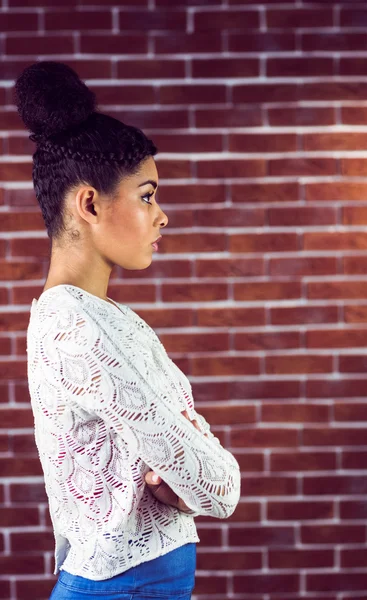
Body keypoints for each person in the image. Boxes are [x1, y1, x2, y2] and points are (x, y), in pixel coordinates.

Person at [17, 61, 241, 600]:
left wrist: (189, 469)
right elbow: (218, 484)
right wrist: (201, 474)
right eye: (147, 195)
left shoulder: (114, 318)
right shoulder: (71, 322)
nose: (162, 215)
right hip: (118, 587)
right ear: (89, 203)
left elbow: (187, 451)